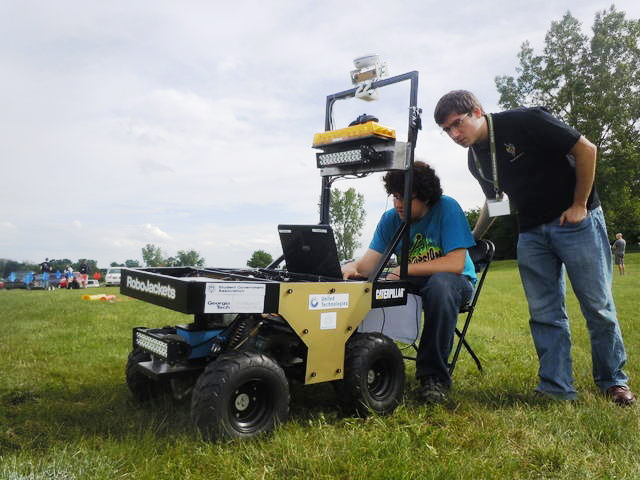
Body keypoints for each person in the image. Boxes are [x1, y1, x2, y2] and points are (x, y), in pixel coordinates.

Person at [434, 90, 635, 406]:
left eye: (458, 124)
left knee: (597, 305)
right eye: (447, 130)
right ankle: (557, 387)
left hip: (576, 222)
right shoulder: (476, 159)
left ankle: (613, 381)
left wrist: (580, 204)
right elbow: (496, 203)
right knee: (544, 313)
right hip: (531, 233)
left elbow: (587, 150)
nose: (455, 134)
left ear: (476, 111)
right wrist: (471, 237)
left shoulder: (525, 121)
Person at [341, 161, 477, 403]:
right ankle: (358, 362)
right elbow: (370, 265)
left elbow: (455, 263)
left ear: (426, 197)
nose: (398, 204)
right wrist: (351, 268)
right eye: (394, 196)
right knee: (364, 286)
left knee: (440, 285)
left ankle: (434, 378)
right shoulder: (391, 218)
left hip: (456, 283)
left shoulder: (447, 208)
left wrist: (402, 269)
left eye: (406, 198)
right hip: (412, 282)